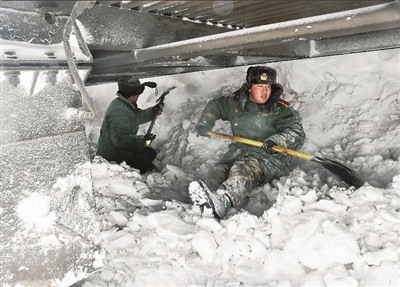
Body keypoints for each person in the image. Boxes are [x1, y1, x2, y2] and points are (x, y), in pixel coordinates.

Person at [189, 66, 306, 219]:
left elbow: (296, 133)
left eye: (268, 87)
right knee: (218, 173)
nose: (265, 91)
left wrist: (277, 141)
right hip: (238, 153)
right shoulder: (236, 105)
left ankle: (223, 202)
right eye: (259, 86)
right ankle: (198, 205)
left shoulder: (279, 110)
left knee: (241, 170)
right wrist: (206, 122)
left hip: (268, 159)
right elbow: (216, 106)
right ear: (250, 88)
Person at [97, 76, 164, 174]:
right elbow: (120, 140)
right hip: (112, 155)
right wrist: (143, 140)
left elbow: (136, 117)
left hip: (117, 149)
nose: (138, 97)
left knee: (147, 151)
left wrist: (153, 111)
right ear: (133, 95)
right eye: (137, 94)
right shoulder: (119, 111)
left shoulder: (122, 104)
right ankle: (137, 171)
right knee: (148, 154)